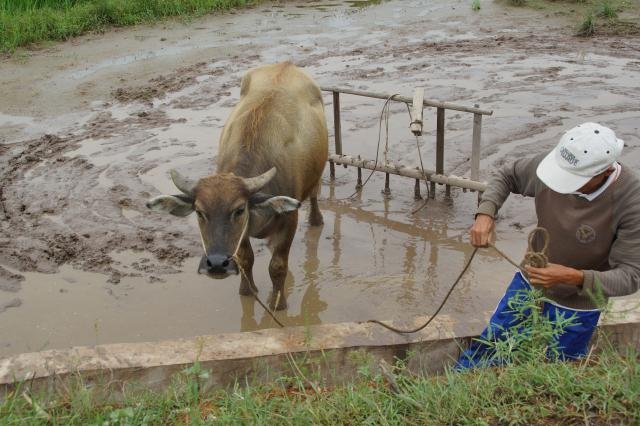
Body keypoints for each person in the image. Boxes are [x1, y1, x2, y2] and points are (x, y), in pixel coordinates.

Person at [457, 122, 640, 368]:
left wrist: (574, 277)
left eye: (576, 179)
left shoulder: (631, 202)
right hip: (530, 279)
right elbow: (507, 174)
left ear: (605, 172)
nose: (562, 182)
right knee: (492, 347)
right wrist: (486, 213)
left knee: (556, 366)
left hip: (580, 302)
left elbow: (630, 276)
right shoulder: (553, 165)